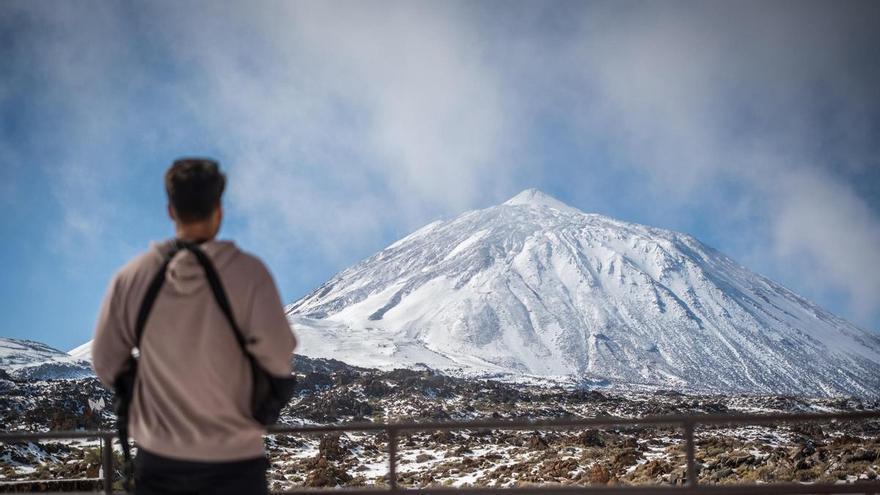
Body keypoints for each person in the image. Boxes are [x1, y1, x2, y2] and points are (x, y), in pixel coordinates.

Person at [91, 158, 297, 494]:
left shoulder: (132, 278)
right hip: (235, 463)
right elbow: (277, 353)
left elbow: (105, 360)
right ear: (219, 208)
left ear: (171, 210)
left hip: (158, 461)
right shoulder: (249, 274)